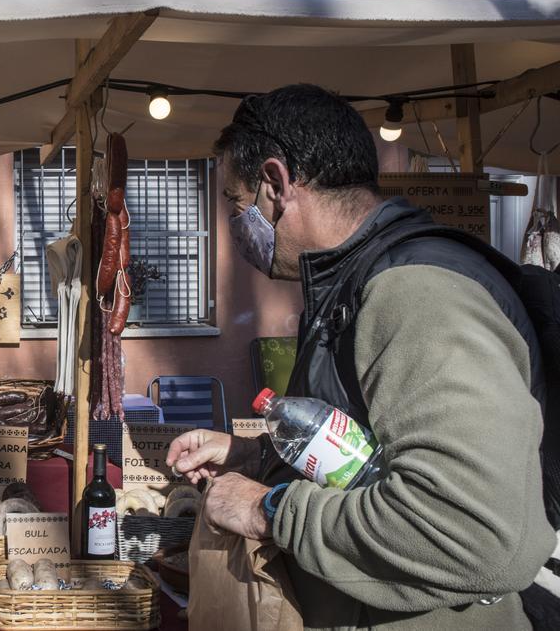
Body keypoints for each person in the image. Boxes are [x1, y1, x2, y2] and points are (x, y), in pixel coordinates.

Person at [166, 84, 556, 629]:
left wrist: (267, 510)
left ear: (275, 184)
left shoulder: (417, 295)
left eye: (235, 203)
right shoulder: (351, 284)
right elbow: (372, 456)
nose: (233, 229)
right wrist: (257, 458)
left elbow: (470, 533)